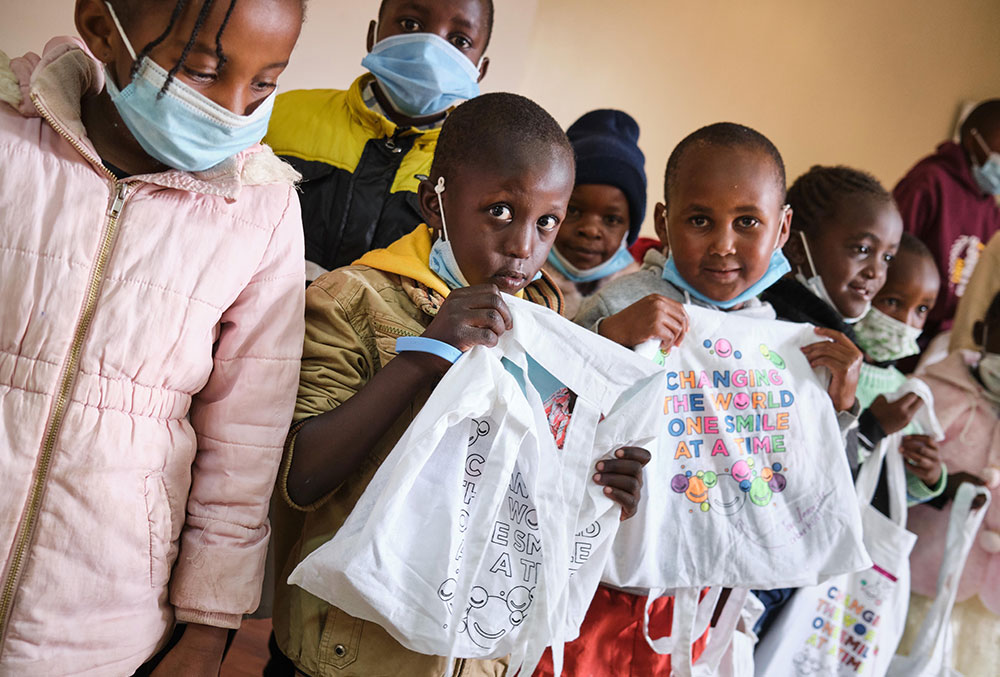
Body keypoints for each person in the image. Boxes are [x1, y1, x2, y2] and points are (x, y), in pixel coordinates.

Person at [270, 92, 651, 677]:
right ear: (433, 204)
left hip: (474, 659)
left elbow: (529, 497)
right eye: (500, 210)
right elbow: (300, 478)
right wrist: (423, 357)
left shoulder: (549, 333)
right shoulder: (355, 300)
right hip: (347, 656)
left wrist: (601, 485)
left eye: (547, 221)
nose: (525, 247)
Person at [0, 0, 307, 674]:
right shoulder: (8, 139)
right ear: (102, 28)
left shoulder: (261, 210)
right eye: (201, 71)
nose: (233, 109)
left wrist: (208, 627)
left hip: (100, 627)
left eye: (263, 84)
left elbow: (245, 443)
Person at [547, 123, 859, 676]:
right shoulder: (620, 305)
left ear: (782, 228)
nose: (722, 244)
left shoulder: (789, 341)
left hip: (708, 592)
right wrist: (607, 343)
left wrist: (838, 407)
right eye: (699, 221)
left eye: (748, 222)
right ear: (664, 224)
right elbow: (549, 421)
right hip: (599, 585)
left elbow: (803, 475)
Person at [755, 164, 901, 637]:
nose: (876, 273)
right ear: (797, 243)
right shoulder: (767, 323)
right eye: (861, 249)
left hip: (786, 557)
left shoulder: (840, 341)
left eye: (887, 257)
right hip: (751, 553)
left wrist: (848, 408)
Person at [265, 0, 493, 282]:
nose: (428, 50)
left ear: (479, 69)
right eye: (411, 24)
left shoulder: (479, 173)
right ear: (373, 35)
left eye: (459, 40)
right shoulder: (278, 114)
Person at [898, 290, 1000, 676]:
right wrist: (939, 483)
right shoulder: (930, 392)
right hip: (919, 583)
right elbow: (892, 477)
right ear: (982, 331)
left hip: (991, 614)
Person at [893, 99, 1000, 342]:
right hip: (906, 322)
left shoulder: (990, 208)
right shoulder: (930, 182)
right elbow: (894, 251)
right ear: (974, 141)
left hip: (945, 335)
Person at [852, 233, 946, 503]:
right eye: (893, 302)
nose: (906, 321)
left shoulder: (904, 390)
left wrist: (927, 476)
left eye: (922, 309)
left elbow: (895, 494)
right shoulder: (831, 368)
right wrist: (873, 427)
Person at [542, 109, 645, 318]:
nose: (590, 230)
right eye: (573, 210)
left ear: (629, 229)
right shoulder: (520, 276)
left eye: (611, 219)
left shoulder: (639, 300)